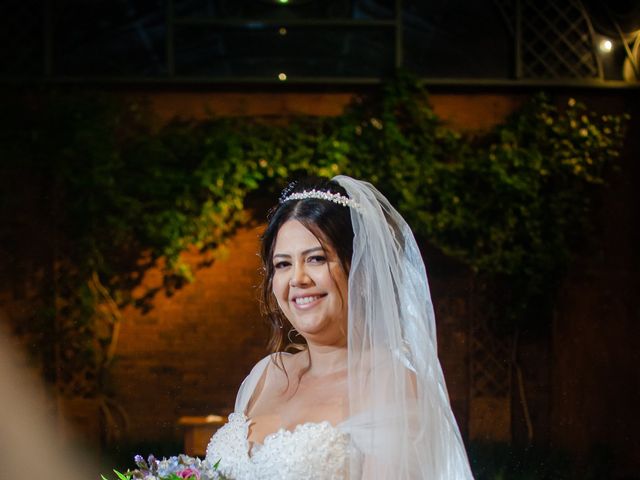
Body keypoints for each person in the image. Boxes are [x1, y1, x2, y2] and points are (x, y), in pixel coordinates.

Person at [205, 176, 474, 479]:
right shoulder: (265, 375)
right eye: (283, 264)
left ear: (359, 269)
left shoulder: (390, 384)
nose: (298, 279)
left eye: (316, 259)